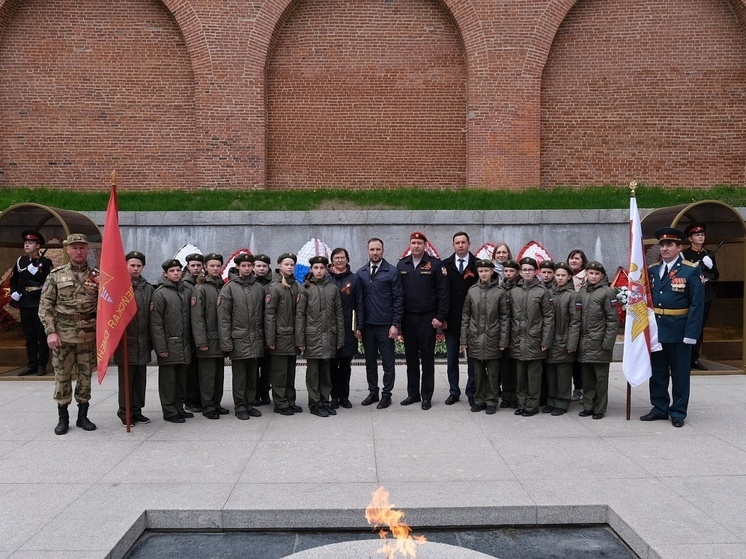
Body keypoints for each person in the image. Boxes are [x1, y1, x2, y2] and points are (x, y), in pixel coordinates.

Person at [641, 227, 704, 428]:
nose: (665, 248)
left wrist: (691, 334)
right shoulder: (652, 270)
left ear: (679, 247)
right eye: (662, 245)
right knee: (658, 371)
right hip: (657, 330)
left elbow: (697, 304)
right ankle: (659, 407)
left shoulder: (690, 269)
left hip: (679, 330)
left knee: (679, 373)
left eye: (670, 245)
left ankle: (678, 411)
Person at [38, 233, 99, 435]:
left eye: (82, 247)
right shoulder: (55, 275)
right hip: (62, 336)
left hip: (88, 336)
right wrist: (50, 332)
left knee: (85, 377)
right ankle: (63, 418)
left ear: (87, 249)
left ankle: (83, 416)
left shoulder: (98, 276)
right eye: (74, 247)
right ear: (68, 250)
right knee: (62, 376)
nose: (78, 251)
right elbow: (45, 306)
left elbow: (106, 306)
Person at [397, 231, 449, 410]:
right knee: (410, 359)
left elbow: (443, 293)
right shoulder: (402, 264)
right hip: (408, 318)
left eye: (419, 243)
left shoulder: (435, 265)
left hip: (428, 318)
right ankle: (413, 393)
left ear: (425, 245)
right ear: (409, 245)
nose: (416, 246)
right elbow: (398, 293)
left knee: (427, 358)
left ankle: (426, 395)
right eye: (413, 243)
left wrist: (440, 316)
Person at [356, 238, 403, 410]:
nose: (375, 252)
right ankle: (373, 392)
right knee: (370, 362)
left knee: (388, 363)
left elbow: (398, 299)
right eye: (372, 249)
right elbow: (358, 302)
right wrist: (358, 327)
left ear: (383, 251)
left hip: (385, 325)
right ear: (367, 251)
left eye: (378, 249)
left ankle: (386, 395)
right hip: (368, 326)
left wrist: (395, 324)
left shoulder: (391, 272)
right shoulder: (360, 273)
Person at [296, 256, 345, 417]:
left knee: (326, 373)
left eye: (321, 268)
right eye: (315, 268)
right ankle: (315, 403)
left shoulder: (332, 289)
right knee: (313, 373)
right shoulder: (305, 289)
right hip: (312, 338)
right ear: (311, 269)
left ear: (326, 269)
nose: (318, 271)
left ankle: (325, 400)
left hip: (329, 337)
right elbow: (300, 315)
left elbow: (339, 315)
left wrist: (339, 338)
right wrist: (300, 340)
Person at [217, 253, 264, 420]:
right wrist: (226, 342)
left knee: (253, 376)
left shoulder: (258, 287)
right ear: (237, 267)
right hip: (238, 340)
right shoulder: (229, 288)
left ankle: (250, 404)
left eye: (249, 266)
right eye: (243, 266)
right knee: (240, 377)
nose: (246, 268)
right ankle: (240, 407)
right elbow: (224, 319)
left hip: (255, 339)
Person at [460, 259, 510, 415]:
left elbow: (505, 317)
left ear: (492, 272)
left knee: (493, 373)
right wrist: (464, 339)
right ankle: (479, 399)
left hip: (492, 338)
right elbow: (466, 316)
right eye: (481, 271)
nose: (483, 274)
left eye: (486, 271)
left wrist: (503, 340)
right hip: (475, 337)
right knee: (478, 372)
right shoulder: (472, 291)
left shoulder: (500, 292)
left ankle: (492, 400)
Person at [113, 251, 155, 426]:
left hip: (142, 340)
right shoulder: (118, 286)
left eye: (138, 265)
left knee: (139, 380)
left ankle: (137, 410)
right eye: (132, 265)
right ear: (126, 266)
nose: (135, 268)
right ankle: (125, 412)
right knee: (126, 381)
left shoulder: (149, 288)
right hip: (126, 342)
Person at [510, 257, 554, 417]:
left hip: (535, 340)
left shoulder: (542, 291)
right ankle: (521, 403)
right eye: (524, 270)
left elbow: (549, 318)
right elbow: (509, 317)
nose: (527, 272)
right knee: (520, 376)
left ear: (536, 272)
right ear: (520, 272)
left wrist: (546, 340)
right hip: (517, 340)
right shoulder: (515, 291)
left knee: (534, 376)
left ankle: (532, 405)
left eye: (530, 270)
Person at [150, 259, 194, 423]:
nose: (176, 273)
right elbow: (156, 323)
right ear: (165, 274)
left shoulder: (186, 291)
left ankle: (178, 407)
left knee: (181, 379)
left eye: (178, 270)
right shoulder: (160, 294)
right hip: (169, 344)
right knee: (168, 381)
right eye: (172, 271)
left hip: (184, 344)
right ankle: (169, 411)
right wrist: (161, 347)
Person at [576, 261, 618, 420]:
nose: (593, 276)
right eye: (590, 273)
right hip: (585, 342)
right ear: (586, 274)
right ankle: (588, 405)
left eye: (596, 274)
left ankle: (599, 408)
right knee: (587, 378)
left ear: (602, 275)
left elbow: (612, 320)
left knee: (600, 378)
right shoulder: (582, 292)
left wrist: (608, 343)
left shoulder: (607, 292)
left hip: (600, 342)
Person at [442, 231, 478, 406]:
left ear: (469, 244)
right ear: (453, 245)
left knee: (472, 359)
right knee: (451, 359)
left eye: (464, 242)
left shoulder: (477, 264)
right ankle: (454, 391)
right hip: (452, 320)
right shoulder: (445, 265)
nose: (460, 245)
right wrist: (442, 316)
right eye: (457, 242)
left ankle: (472, 391)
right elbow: (441, 293)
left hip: (473, 321)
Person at [10, 229, 52, 376]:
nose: (27, 245)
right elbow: (14, 279)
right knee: (29, 335)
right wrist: (14, 291)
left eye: (31, 243)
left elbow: (49, 282)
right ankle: (32, 364)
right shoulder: (20, 261)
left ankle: (42, 365)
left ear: (38, 246)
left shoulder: (45, 262)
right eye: (26, 243)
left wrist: (38, 275)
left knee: (41, 334)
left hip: (38, 300)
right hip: (25, 301)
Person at [191, 253, 229, 419]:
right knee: (207, 375)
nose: (215, 268)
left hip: (220, 339)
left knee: (218, 375)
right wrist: (201, 341)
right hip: (208, 339)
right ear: (205, 267)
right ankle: (207, 406)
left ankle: (216, 402)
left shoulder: (222, 286)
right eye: (212, 265)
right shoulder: (201, 288)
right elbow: (197, 317)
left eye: (217, 266)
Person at [327, 247, 365, 409]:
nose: (340, 260)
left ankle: (344, 396)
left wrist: (359, 327)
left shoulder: (355, 279)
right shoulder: (326, 278)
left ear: (347, 260)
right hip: (330, 328)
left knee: (345, 365)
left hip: (348, 328)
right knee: (331, 365)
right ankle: (333, 396)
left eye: (343, 257)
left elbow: (360, 304)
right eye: (337, 257)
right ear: (332, 260)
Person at [265, 253, 302, 415]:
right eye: (286, 264)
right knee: (279, 373)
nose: (289, 267)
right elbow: (269, 315)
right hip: (279, 337)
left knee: (290, 371)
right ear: (279, 265)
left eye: (292, 264)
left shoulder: (295, 286)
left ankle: (290, 400)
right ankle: (280, 403)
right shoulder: (274, 287)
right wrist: (270, 339)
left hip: (292, 336)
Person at [543, 262, 580, 416]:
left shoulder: (572, 295)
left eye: (563, 275)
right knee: (551, 373)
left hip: (564, 339)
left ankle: (563, 401)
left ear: (569, 276)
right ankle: (552, 400)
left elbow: (575, 321)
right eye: (557, 275)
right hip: (550, 340)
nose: (559, 278)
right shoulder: (549, 293)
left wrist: (571, 343)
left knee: (563, 373)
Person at [682, 222, 719, 371]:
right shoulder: (685, 254)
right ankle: (685, 358)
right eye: (697, 235)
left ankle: (694, 358)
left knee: (700, 327)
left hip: (705, 296)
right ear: (690, 238)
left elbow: (716, 275)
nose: (700, 237)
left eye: (702, 234)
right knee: (688, 326)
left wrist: (709, 267)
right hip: (690, 296)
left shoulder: (709, 254)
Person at [181, 253, 204, 413]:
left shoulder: (203, 282)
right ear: (188, 267)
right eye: (193, 265)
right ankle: (189, 400)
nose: (196, 268)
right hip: (188, 332)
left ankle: (200, 398)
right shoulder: (184, 284)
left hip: (201, 332)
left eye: (198, 265)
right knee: (190, 370)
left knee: (201, 369)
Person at [498, 259, 520, 408]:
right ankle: (506, 396)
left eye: (511, 271)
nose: (508, 274)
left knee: (515, 367)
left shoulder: (520, 288)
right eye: (506, 271)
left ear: (517, 272)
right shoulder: (500, 288)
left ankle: (515, 396)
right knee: (504, 367)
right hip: (503, 332)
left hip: (517, 332)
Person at [567, 248, 588, 403]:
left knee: (581, 359)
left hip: (582, 321)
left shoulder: (587, 276)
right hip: (566, 322)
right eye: (571, 258)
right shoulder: (563, 275)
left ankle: (581, 388)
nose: (573, 261)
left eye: (577, 258)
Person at [252, 253, 273, 406]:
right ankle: (254, 394)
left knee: (268, 367)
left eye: (264, 266)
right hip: (253, 331)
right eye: (258, 266)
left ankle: (265, 392)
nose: (261, 268)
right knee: (253, 367)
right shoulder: (248, 284)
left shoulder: (273, 283)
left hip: (269, 331)